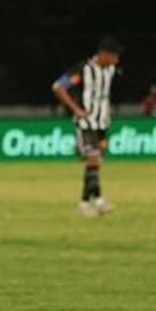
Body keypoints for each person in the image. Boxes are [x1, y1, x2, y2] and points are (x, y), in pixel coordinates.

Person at [52, 36, 123, 216]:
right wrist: (76, 109)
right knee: (93, 158)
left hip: (102, 122)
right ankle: (98, 201)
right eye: (114, 56)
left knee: (95, 162)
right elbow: (58, 87)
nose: (116, 60)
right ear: (104, 54)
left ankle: (85, 203)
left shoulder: (111, 70)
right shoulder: (83, 70)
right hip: (86, 122)